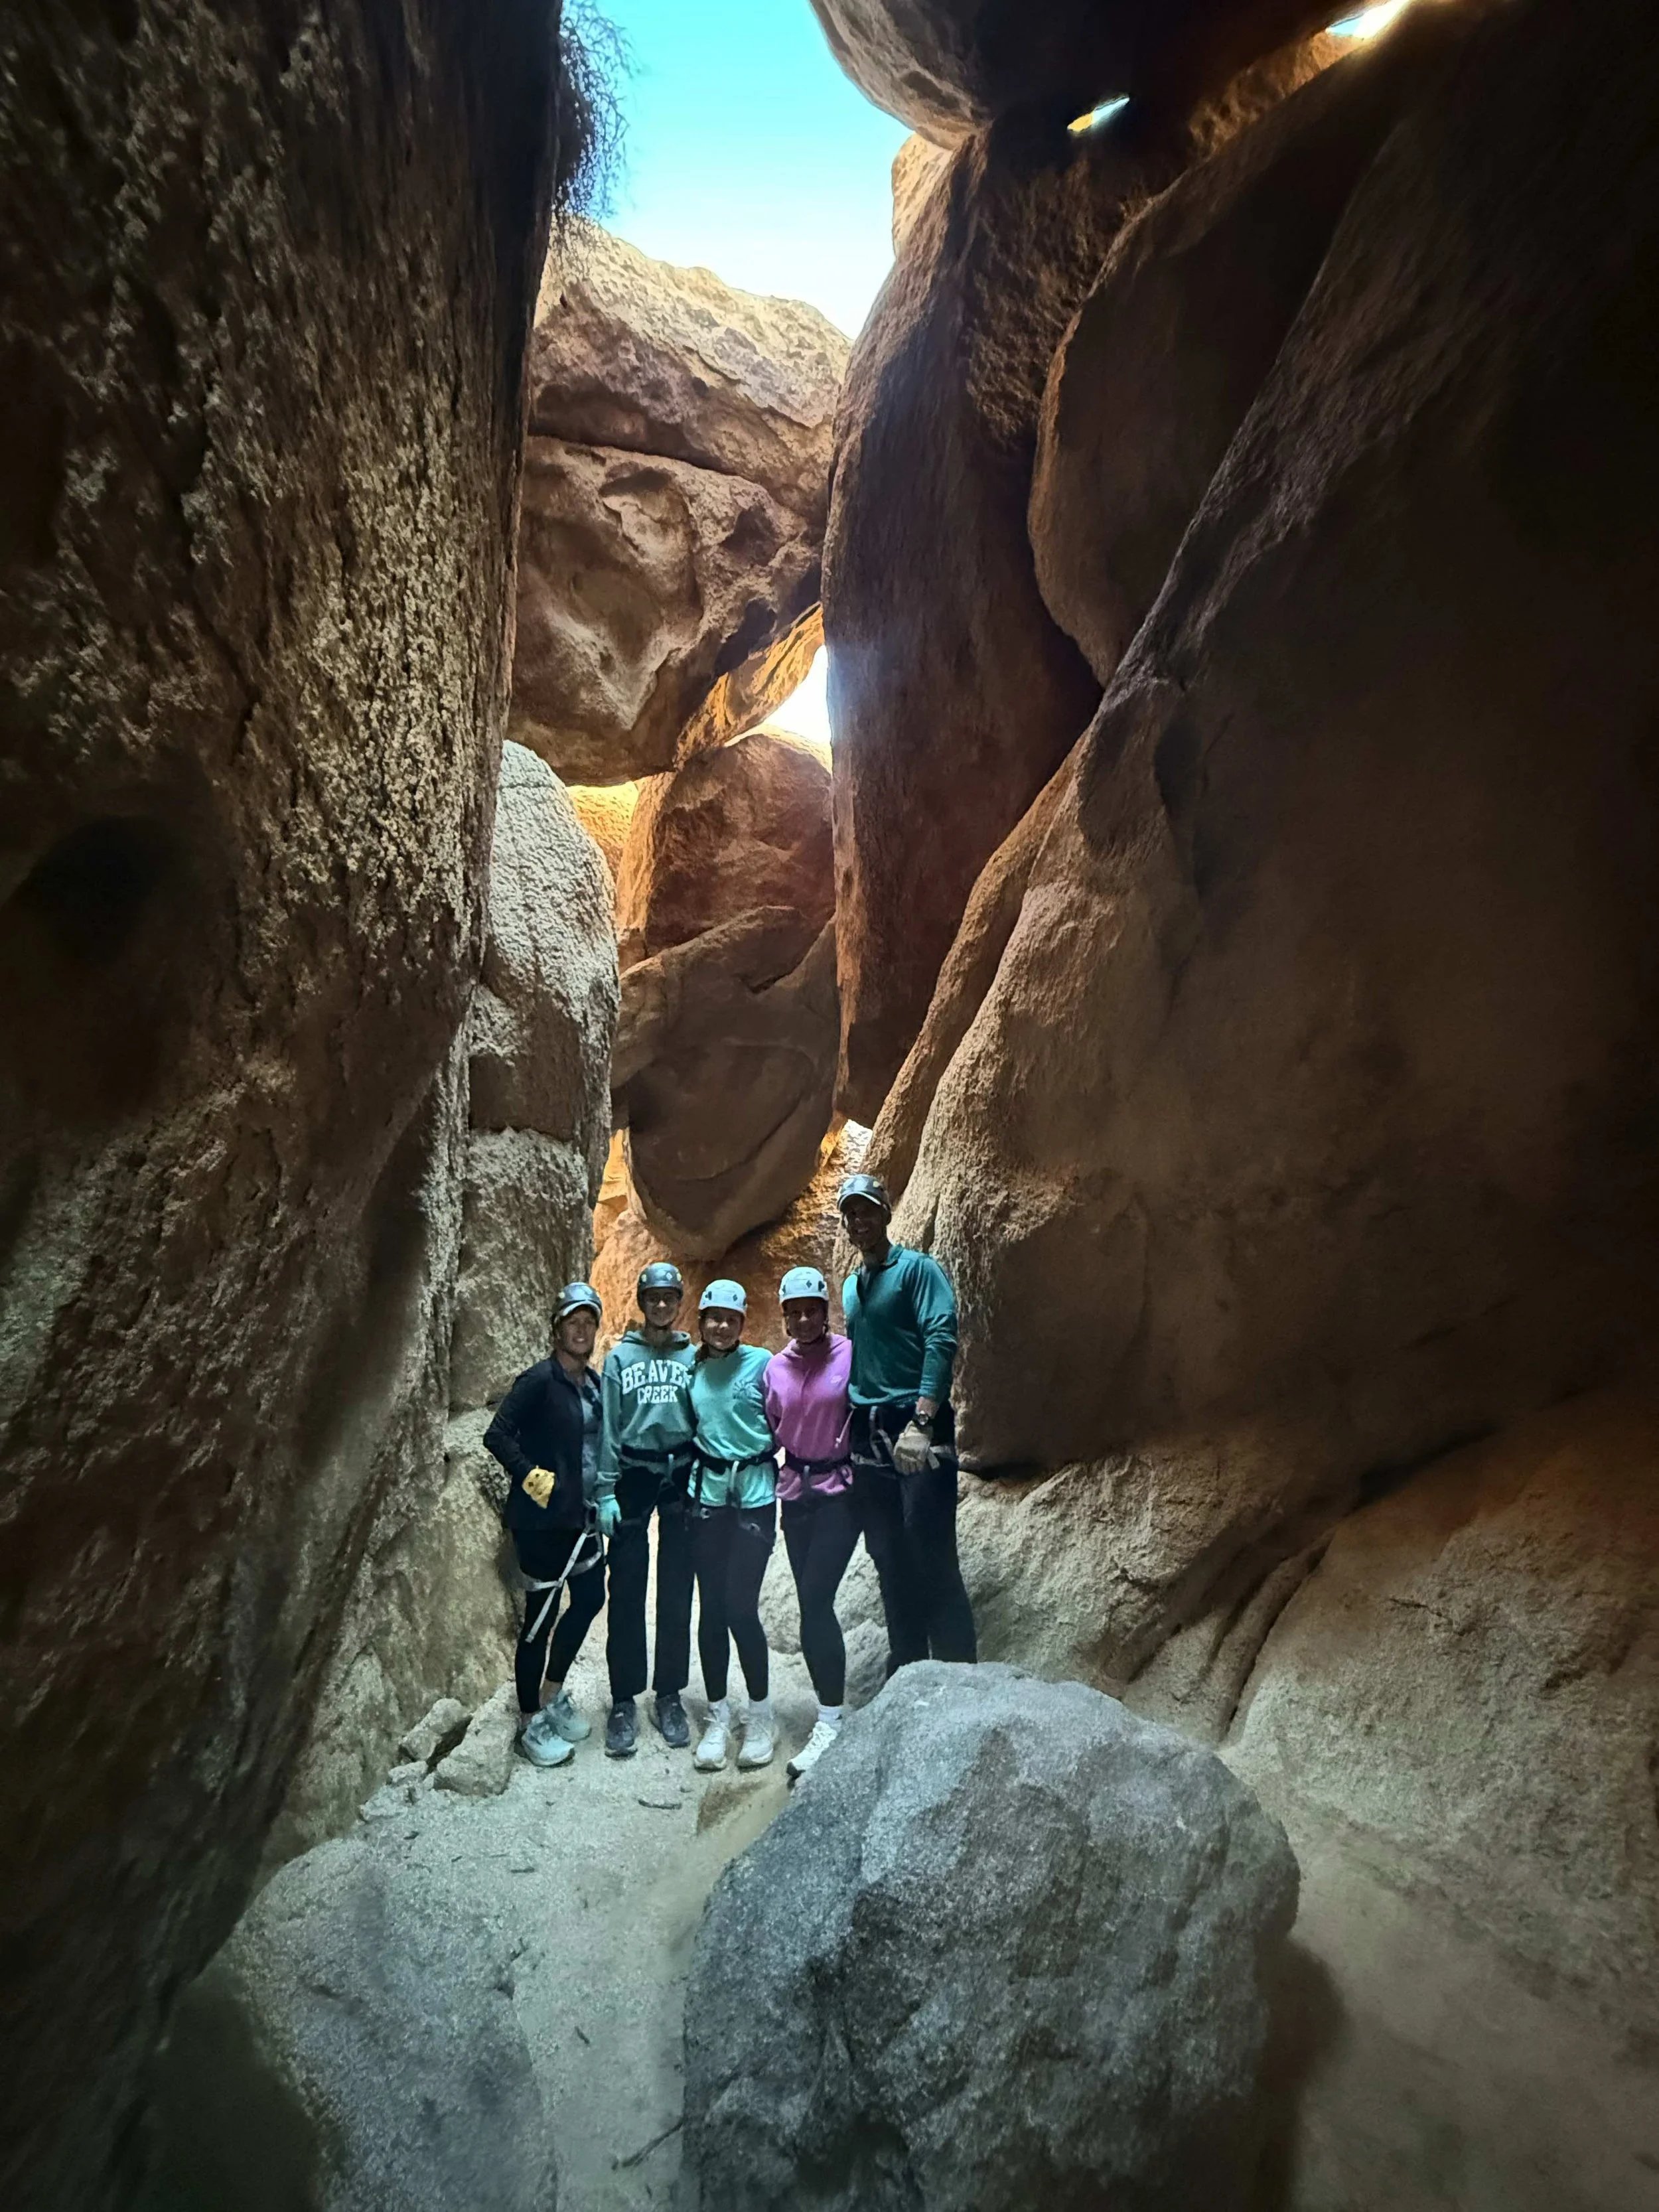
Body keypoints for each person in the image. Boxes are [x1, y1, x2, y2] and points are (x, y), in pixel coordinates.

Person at [838, 1172, 977, 1672]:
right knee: (889, 1556)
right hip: (869, 1431)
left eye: (867, 1209)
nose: (859, 1220)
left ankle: (959, 1678)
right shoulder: (853, 1287)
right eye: (851, 1213)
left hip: (914, 1423)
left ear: (886, 1213)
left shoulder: (918, 1270)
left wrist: (922, 1419)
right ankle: (911, 1669)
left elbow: (941, 1337)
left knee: (931, 1551)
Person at [483, 1282, 607, 1767]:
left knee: (591, 1597)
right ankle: (529, 1720)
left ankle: (552, 1692)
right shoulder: (539, 1380)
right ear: (556, 1328)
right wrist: (529, 1474)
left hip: (583, 1520)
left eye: (588, 1321)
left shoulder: (593, 1384)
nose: (581, 1329)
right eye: (572, 1321)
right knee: (539, 1619)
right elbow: (498, 1434)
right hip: (543, 1523)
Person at [595, 1261, 698, 1756]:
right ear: (642, 1301)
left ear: (679, 1302)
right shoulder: (620, 1359)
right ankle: (623, 1697)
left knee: (678, 1587)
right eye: (653, 1297)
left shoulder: (692, 1358)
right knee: (628, 1585)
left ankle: (670, 1692)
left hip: (678, 1473)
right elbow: (609, 1428)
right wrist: (606, 1491)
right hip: (634, 1472)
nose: (661, 1305)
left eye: (669, 1297)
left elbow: (702, 1419)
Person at [763, 1266, 857, 1781]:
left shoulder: (848, 1353)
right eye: (794, 1311)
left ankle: (830, 1722)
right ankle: (830, 1713)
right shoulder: (774, 1369)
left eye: (811, 1309)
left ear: (826, 1311)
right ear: (785, 1316)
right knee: (808, 1605)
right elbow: (768, 1428)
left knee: (817, 1600)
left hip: (841, 1493)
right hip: (795, 1494)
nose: (803, 1318)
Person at [686, 1280, 778, 1771]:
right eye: (713, 1317)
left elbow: (786, 1414)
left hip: (756, 1498)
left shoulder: (764, 1364)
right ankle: (719, 1715)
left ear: (743, 1323)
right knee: (713, 1608)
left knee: (741, 1606)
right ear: (701, 1322)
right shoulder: (693, 1369)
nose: (722, 1325)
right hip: (708, 1498)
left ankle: (761, 1713)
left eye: (731, 1318)